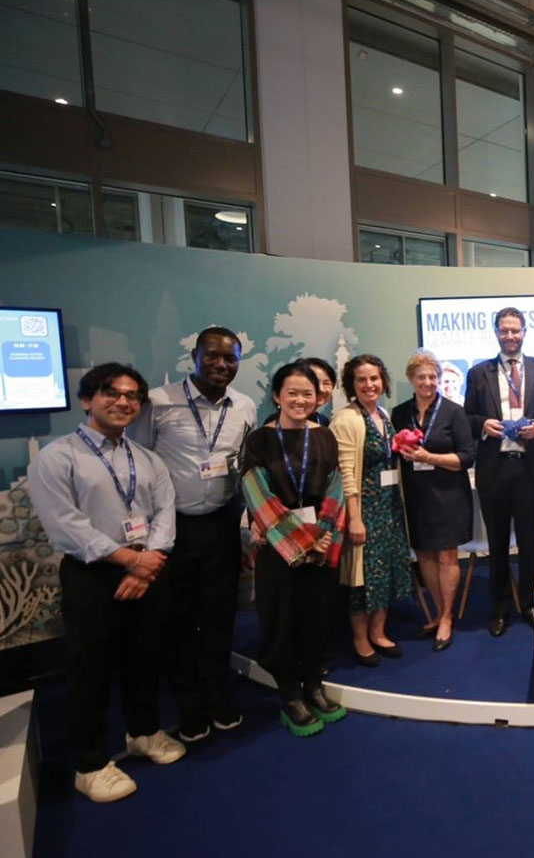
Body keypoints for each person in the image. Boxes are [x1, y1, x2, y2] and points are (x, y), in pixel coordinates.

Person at [28, 363, 183, 803]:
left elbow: (165, 512)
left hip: (148, 568)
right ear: (87, 400)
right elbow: (66, 524)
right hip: (93, 575)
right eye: (111, 393)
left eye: (132, 395)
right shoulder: (57, 457)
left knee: (145, 657)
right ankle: (90, 764)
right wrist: (131, 561)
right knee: (90, 668)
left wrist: (148, 563)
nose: (123, 402)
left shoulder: (146, 458)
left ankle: (144, 732)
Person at [127, 326, 256, 742]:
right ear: (195, 356)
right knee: (177, 620)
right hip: (172, 529)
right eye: (212, 355)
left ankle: (217, 694)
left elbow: (243, 465)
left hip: (221, 524)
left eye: (231, 358)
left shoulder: (245, 406)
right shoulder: (158, 403)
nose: (221, 364)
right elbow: (138, 465)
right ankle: (188, 703)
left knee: (220, 617)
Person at [241, 362, 346, 737]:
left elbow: (336, 487)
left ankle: (313, 684)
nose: (301, 400)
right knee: (281, 618)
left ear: (318, 397)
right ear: (277, 396)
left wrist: (324, 534)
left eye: (308, 394)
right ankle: (290, 694)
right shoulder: (259, 441)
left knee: (317, 616)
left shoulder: (325, 437)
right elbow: (256, 492)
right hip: (277, 547)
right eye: (293, 393)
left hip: (320, 546)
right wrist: (303, 540)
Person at [464, 307, 534, 636]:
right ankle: (500, 607)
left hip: (529, 470)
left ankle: (530, 604)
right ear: (496, 332)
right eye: (504, 330)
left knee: (529, 543)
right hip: (494, 469)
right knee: (497, 544)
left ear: (524, 332)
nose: (510, 336)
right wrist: (483, 424)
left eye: (515, 330)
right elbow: (467, 418)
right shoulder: (478, 373)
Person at [331, 354, 413, 664]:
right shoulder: (346, 419)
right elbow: (345, 474)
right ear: (351, 384)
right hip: (364, 511)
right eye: (361, 379)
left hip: (389, 507)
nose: (369, 384)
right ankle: (361, 639)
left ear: (383, 381)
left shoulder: (383, 415)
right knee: (362, 579)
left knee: (385, 573)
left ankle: (379, 633)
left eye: (374, 378)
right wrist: (355, 519)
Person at [391, 350, 475, 651]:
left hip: (449, 494)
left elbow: (466, 457)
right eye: (421, 377)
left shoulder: (453, 411)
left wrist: (429, 457)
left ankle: (447, 618)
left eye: (432, 376)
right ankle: (439, 613)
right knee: (424, 555)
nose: (427, 382)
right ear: (411, 379)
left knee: (447, 556)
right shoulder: (399, 413)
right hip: (417, 495)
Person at [261, 356, 336, 426]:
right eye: (315, 382)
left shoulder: (323, 421)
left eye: (326, 383)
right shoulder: (275, 423)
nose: (321, 389)